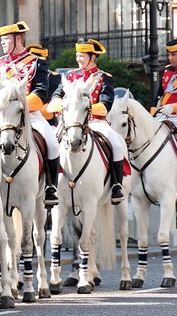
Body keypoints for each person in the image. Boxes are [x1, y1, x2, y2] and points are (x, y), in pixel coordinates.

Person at [0, 22, 60, 207]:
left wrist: (20, 106)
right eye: (1, 39)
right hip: (0, 116)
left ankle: (51, 187)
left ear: (18, 38)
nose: (2, 43)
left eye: (6, 39)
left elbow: (41, 91)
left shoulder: (36, 62)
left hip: (28, 113)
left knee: (52, 144)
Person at [47, 38, 125, 204]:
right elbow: (55, 97)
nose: (78, 59)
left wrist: (87, 109)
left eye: (82, 55)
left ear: (93, 57)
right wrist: (63, 106)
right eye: (77, 55)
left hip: (96, 122)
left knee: (117, 145)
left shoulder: (104, 77)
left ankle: (117, 185)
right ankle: (50, 185)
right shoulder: (69, 76)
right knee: (50, 144)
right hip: (70, 123)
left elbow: (105, 105)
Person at [153, 38, 177, 132]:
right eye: (169, 55)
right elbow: (159, 95)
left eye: (173, 55)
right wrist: (152, 114)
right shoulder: (168, 71)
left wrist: (173, 107)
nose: (170, 58)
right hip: (163, 116)